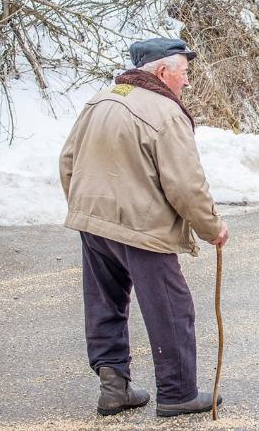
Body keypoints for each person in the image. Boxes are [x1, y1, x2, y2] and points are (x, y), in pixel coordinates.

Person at [59, 37, 229, 417]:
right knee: (171, 308)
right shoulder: (166, 112)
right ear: (163, 71)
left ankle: (114, 388)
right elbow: (186, 185)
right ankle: (178, 393)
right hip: (142, 227)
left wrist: (86, 208)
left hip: (94, 221)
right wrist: (211, 227)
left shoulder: (100, 100)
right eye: (184, 73)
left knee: (105, 303)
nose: (188, 82)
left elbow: (68, 161)